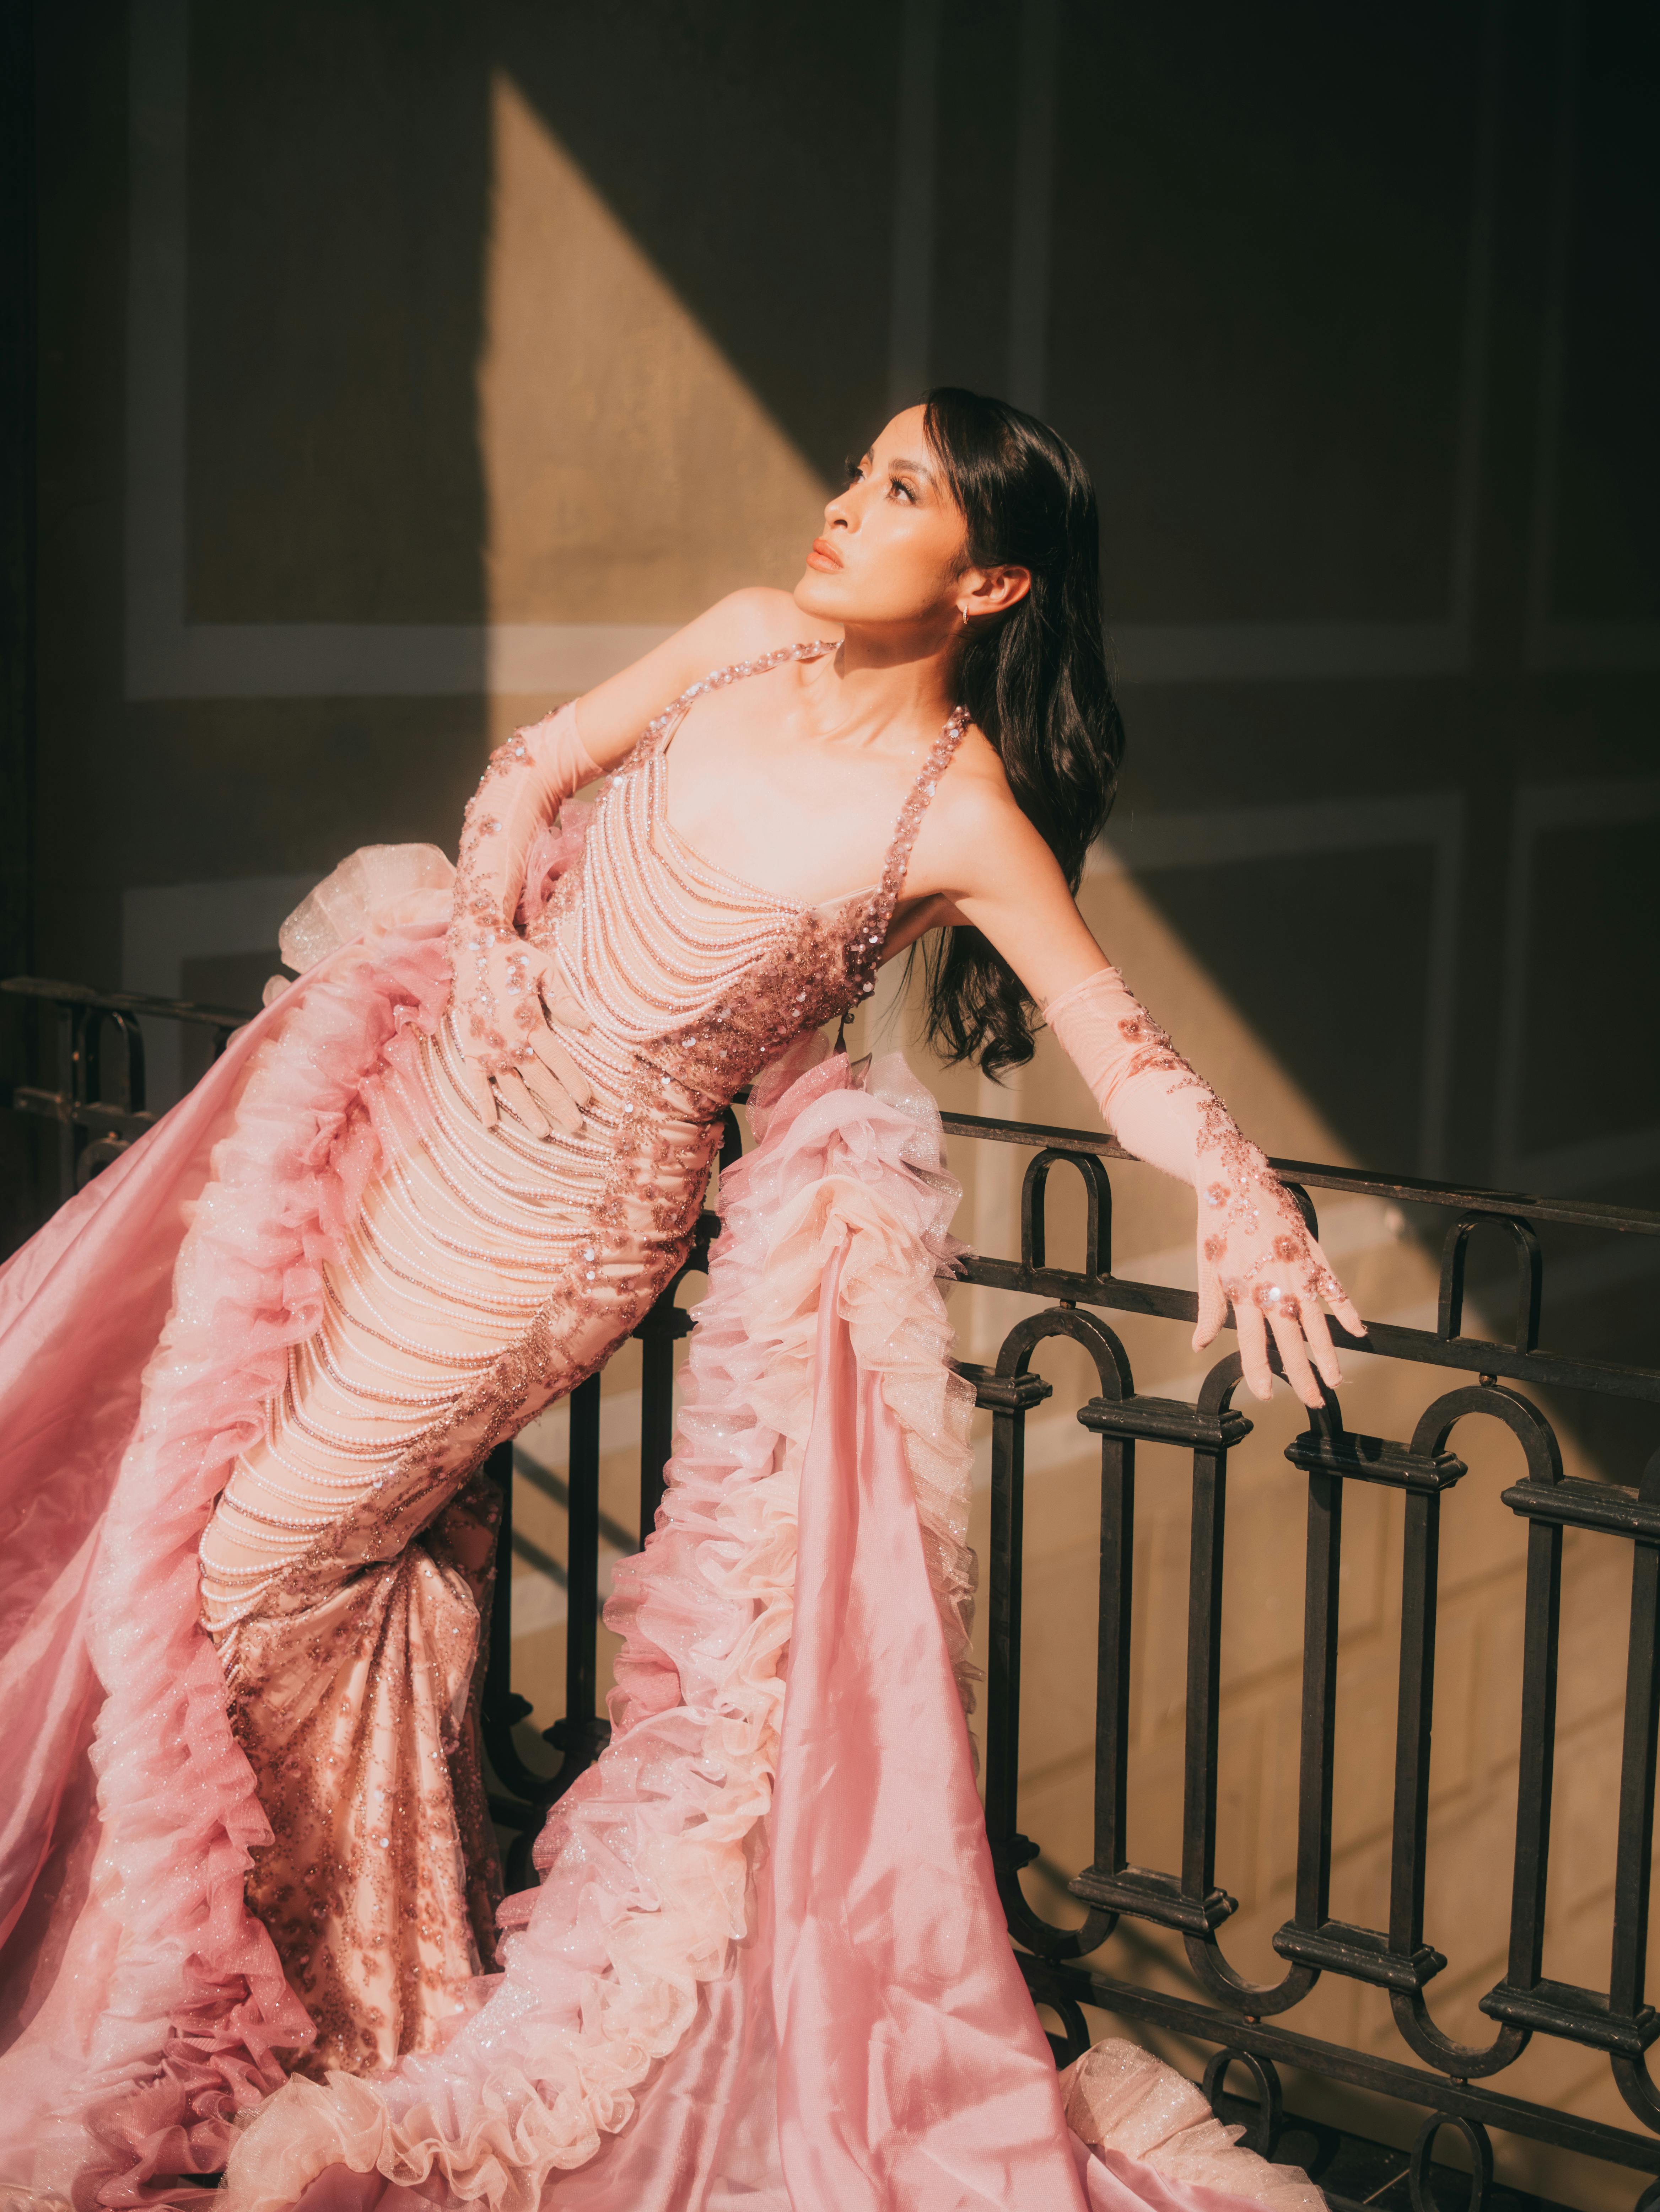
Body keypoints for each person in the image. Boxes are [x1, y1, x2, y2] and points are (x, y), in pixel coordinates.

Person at [0, 390, 1356, 2210]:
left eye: (900, 495)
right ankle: (356, 1992)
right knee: (287, 1552)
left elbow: (1110, 1039)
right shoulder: (739, 640)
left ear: (992, 577)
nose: (844, 505)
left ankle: (265, 2002)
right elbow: (533, 769)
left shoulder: (955, 810)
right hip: (427, 1105)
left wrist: (1248, 1197)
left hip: (559, 1219)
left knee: (252, 1567)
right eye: (862, 469)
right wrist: (488, 921)